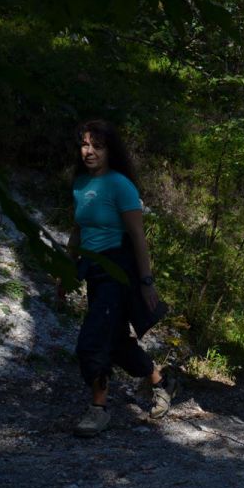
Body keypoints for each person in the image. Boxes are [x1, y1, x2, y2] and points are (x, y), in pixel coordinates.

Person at [68, 120, 174, 437]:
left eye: (97, 146)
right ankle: (161, 381)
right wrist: (65, 271)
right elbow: (78, 229)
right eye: (85, 144)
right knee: (115, 341)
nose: (89, 151)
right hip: (93, 271)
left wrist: (147, 281)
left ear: (109, 150)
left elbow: (138, 237)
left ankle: (98, 409)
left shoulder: (120, 185)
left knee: (92, 342)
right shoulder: (80, 184)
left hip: (118, 272)